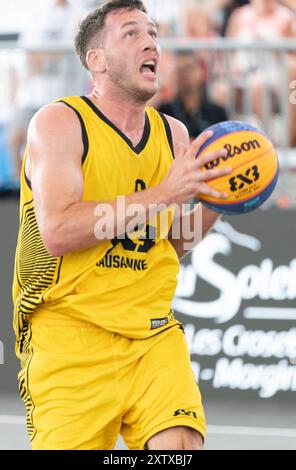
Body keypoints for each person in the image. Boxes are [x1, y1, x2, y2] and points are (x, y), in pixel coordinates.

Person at [12, 0, 231, 451]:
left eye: (152, 33)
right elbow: (57, 232)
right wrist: (163, 194)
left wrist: (223, 200)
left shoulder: (174, 134)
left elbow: (172, 242)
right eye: (131, 33)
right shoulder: (59, 123)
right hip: (70, 335)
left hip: (151, 333)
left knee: (181, 447)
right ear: (97, 61)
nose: (150, 41)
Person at [158, 51, 228, 140]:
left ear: (202, 72)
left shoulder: (217, 112)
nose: (184, 73)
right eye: (179, 70)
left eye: (189, 67)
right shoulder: (165, 111)